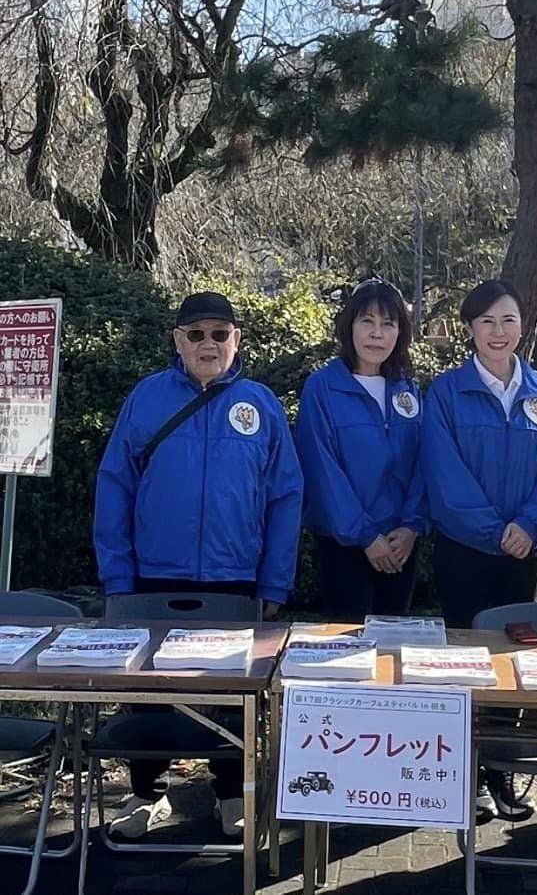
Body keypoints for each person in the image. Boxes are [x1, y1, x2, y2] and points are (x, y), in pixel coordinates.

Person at [94, 291, 303, 840]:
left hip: (235, 576)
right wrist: (118, 577)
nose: (208, 344)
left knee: (233, 694)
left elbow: (285, 496)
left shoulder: (261, 405)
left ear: (237, 340)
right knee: (148, 691)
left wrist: (274, 579)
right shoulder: (146, 398)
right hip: (151, 575)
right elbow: (115, 484)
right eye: (196, 334)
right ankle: (146, 794)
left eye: (219, 333)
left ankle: (231, 793)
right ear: (177, 341)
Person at [421, 278, 537, 822]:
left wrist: (530, 525)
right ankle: (463, 777)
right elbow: (444, 473)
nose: (498, 331)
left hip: (524, 551)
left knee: (512, 663)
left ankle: (501, 772)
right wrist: (493, 529)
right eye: (486, 321)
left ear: (522, 325)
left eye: (508, 320)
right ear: (470, 330)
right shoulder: (446, 393)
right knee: (466, 666)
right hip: (465, 550)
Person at [295, 279, 427, 621]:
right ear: (349, 326)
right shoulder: (322, 389)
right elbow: (321, 468)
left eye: (388, 324)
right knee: (347, 655)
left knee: (393, 650)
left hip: (401, 543)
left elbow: (424, 464)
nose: (377, 334)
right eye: (367, 321)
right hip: (346, 544)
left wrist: (412, 527)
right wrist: (365, 535)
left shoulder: (407, 389)